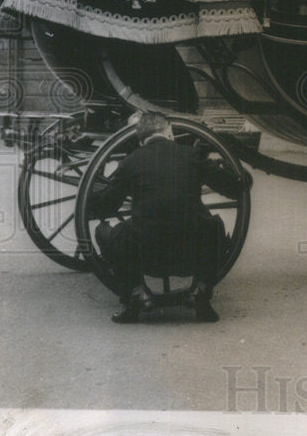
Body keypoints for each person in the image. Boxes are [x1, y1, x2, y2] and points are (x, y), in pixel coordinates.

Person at [89, 112, 243, 324]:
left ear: (140, 140)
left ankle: (136, 294)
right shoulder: (192, 155)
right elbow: (235, 188)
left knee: (103, 232)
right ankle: (200, 292)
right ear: (169, 132)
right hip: (191, 252)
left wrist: (93, 196)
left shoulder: (130, 162)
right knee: (215, 227)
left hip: (146, 254)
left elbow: (106, 206)